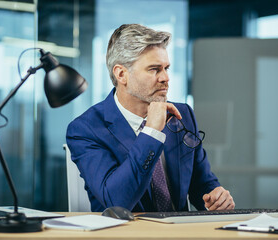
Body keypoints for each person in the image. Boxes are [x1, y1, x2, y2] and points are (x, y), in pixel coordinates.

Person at [66, 24, 235, 212]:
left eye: (166, 68)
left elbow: (202, 184)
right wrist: (152, 132)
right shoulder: (86, 129)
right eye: (154, 69)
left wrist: (216, 197)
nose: (165, 78)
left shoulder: (182, 115)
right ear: (121, 74)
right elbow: (117, 202)